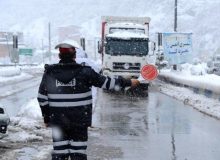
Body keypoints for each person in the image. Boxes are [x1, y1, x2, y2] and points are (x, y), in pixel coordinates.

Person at [37, 40, 140, 160]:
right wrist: (128, 82)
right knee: (78, 154)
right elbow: (106, 83)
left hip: (59, 122)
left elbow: (42, 98)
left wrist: (47, 117)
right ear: (74, 55)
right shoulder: (85, 72)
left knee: (60, 154)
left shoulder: (50, 73)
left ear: (59, 55)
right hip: (79, 122)